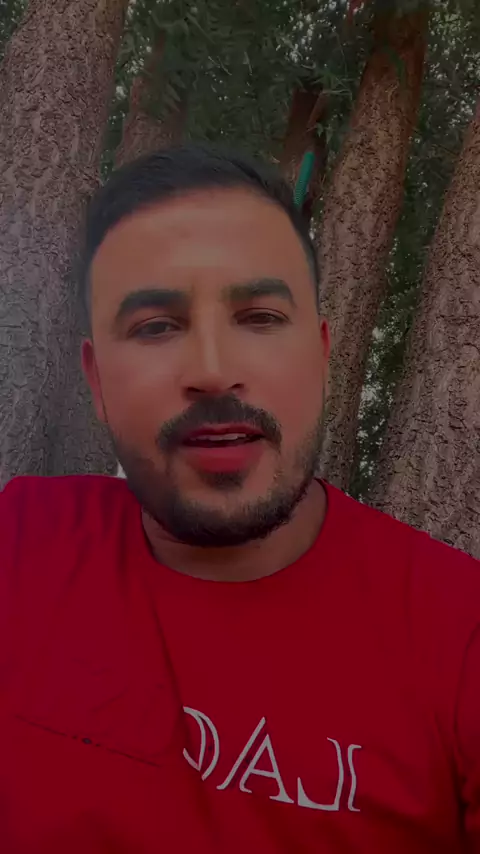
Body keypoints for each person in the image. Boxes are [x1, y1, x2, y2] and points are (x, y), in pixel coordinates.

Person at [0, 144, 479, 854]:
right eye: (156, 326)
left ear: (322, 356)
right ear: (97, 382)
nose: (213, 371)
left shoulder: (461, 637)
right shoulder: (21, 541)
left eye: (259, 316)